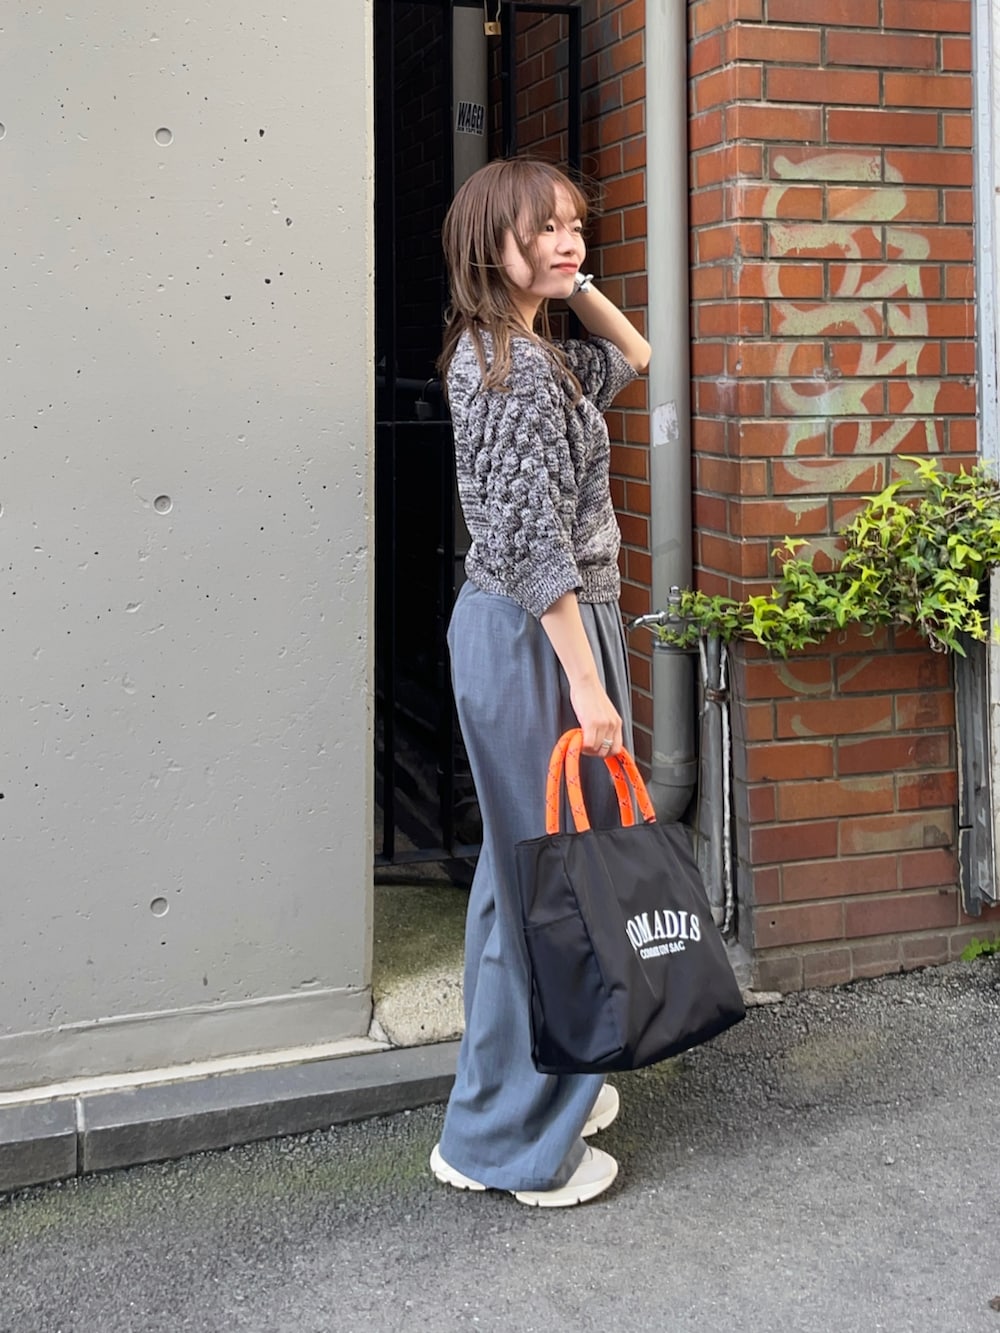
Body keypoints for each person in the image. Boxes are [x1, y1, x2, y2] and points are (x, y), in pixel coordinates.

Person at [429, 158, 652, 1208]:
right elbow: (533, 546)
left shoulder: (523, 352)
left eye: (574, 226)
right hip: (541, 636)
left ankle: (523, 1087)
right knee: (550, 881)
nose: (569, 242)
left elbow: (635, 355)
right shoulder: (512, 371)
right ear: (492, 246)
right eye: (544, 231)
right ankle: (509, 1142)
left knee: (523, 875)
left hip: (534, 634)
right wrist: (590, 689)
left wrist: (571, 282)